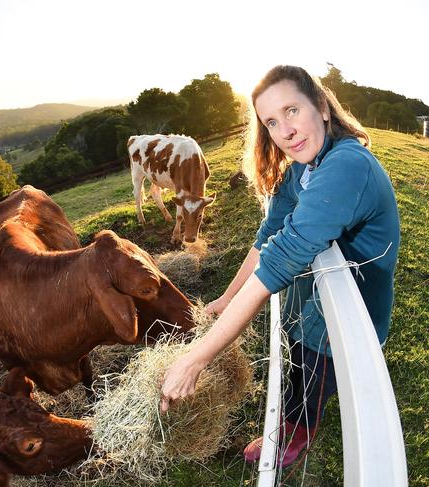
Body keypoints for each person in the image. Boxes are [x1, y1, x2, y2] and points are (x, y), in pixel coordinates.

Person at [160, 65, 400, 467]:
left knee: (311, 373)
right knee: (299, 363)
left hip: (349, 313)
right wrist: (227, 296)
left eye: (292, 110)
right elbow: (268, 237)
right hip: (317, 299)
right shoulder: (306, 168)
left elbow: (277, 265)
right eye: (271, 121)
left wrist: (195, 359)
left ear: (321, 106)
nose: (285, 130)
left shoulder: (345, 166)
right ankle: (294, 418)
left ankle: (294, 436)